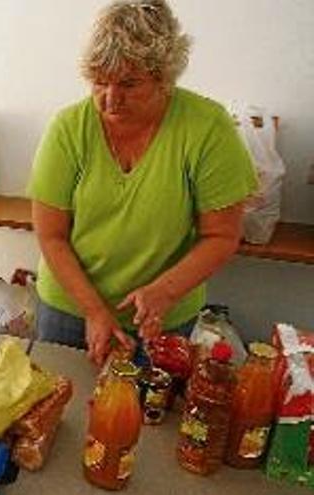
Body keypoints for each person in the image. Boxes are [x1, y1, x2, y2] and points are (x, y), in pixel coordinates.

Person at [27, 0, 257, 366]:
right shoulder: (68, 129)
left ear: (164, 78)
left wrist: (165, 293)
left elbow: (222, 236)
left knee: (149, 420)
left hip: (163, 316)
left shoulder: (207, 128)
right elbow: (50, 234)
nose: (111, 99)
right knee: (59, 413)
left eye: (129, 83)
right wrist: (93, 311)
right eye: (99, 82)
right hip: (69, 310)